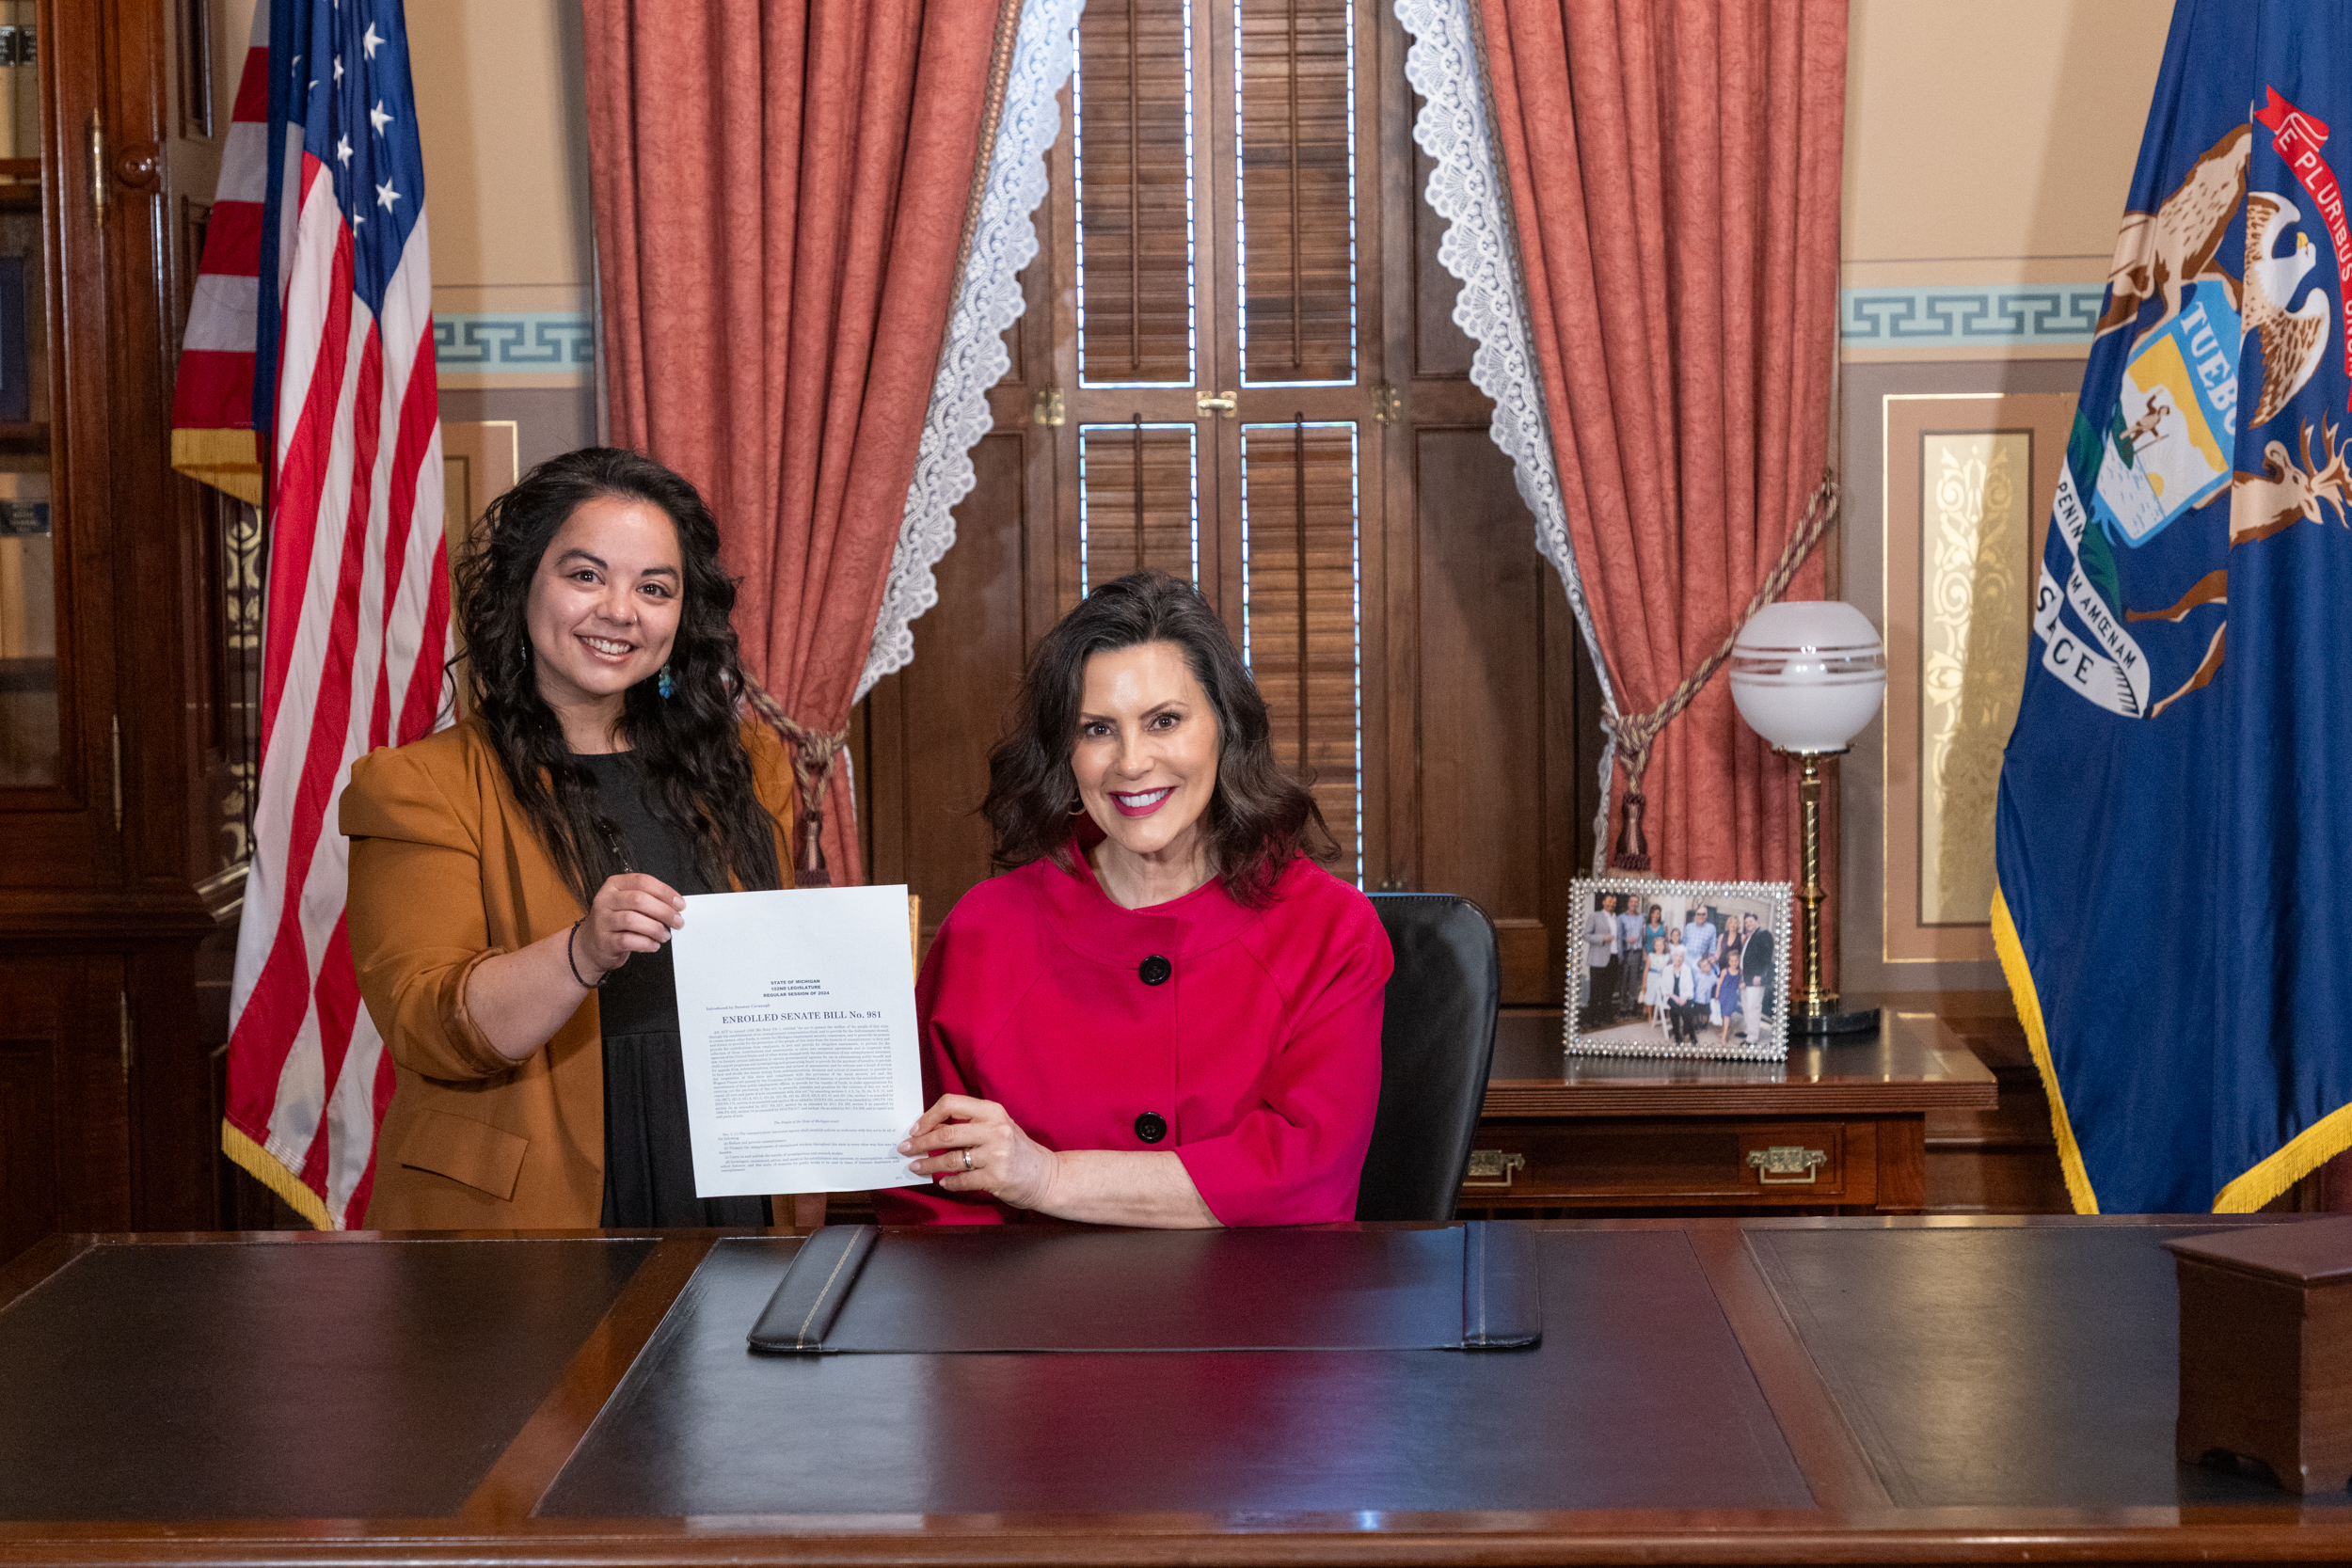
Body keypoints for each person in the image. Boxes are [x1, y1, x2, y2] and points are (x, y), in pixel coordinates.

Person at [342, 448, 798, 1229]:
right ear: (523, 585)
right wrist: (584, 949)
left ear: (682, 617)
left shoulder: (750, 769)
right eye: (586, 575)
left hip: (725, 1173)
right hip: (523, 1214)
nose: (620, 610)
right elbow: (429, 1022)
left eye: (654, 588)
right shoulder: (418, 786)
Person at [876, 569, 1391, 1227]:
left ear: (1225, 728)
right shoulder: (983, 932)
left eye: (1165, 721)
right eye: (1097, 729)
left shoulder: (1331, 929)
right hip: (1028, 1321)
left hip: (1264, 1321)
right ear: (1065, 752)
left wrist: (1050, 1175)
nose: (1131, 761)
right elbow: (924, 1195)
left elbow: (1304, 1177)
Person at [1740, 911, 1777, 1044]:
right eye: (1746, 922)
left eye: (1751, 921)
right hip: (1746, 979)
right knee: (1746, 1006)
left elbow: (1766, 958)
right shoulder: (1749, 937)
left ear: (1756, 921)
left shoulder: (1763, 934)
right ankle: (1747, 1031)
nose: (1748, 924)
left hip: (1755, 979)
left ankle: (1752, 1038)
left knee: (1753, 1008)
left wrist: (1759, 976)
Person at [1582, 893, 1620, 1024]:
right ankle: (1592, 1018)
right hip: (1598, 959)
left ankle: (1606, 1016)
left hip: (1613, 958)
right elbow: (1586, 935)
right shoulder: (1594, 916)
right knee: (1596, 990)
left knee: (1608, 990)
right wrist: (1602, 938)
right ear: (1604, 902)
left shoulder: (1616, 919)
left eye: (1614, 902)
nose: (1612, 904)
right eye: (1609, 901)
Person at [1613, 895, 1645, 1013]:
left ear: (1638, 904)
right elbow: (1617, 936)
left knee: (1633, 981)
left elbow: (1644, 935)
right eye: (1631, 901)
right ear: (1628, 904)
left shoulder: (1641, 918)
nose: (1634, 904)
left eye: (1636, 902)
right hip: (1626, 952)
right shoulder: (1621, 918)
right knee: (1624, 981)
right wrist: (1627, 940)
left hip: (1637, 953)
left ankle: (1631, 1006)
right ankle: (1622, 1006)